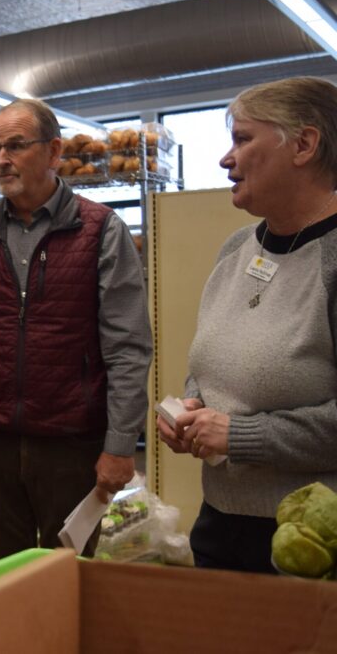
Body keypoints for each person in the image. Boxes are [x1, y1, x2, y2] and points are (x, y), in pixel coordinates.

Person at [0, 98, 153, 563]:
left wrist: (119, 445)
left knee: (66, 576)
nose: (1, 161)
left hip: (71, 444)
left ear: (54, 152)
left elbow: (128, 348)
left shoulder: (99, 230)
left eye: (15, 146)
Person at [156, 76, 337, 574]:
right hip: (221, 524)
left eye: (243, 139)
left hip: (312, 543)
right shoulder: (238, 249)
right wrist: (194, 406)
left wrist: (239, 436)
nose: (225, 159)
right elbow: (212, 362)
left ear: (303, 144)